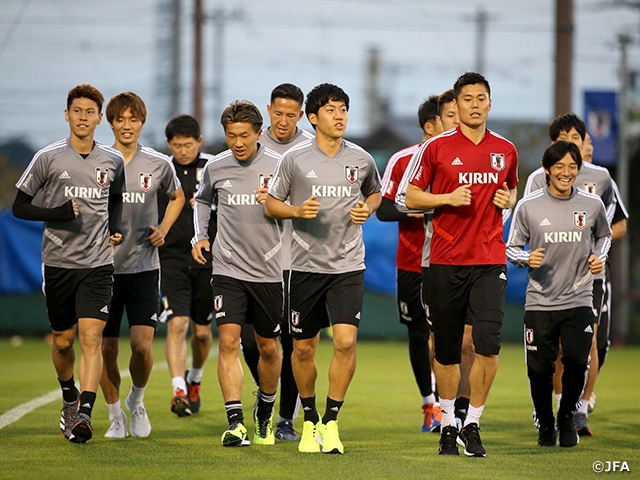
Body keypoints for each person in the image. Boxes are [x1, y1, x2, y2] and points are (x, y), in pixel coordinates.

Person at [405, 72, 518, 457]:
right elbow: (411, 197)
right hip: (445, 261)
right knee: (448, 351)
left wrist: (509, 200)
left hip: (489, 260)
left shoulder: (506, 149)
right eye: (466, 98)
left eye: (480, 97)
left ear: (489, 103)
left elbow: (511, 186)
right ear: (457, 103)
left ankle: (472, 424)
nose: (473, 104)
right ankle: (448, 423)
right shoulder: (435, 148)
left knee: (487, 346)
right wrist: (447, 199)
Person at [265, 83, 382, 454]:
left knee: (345, 341)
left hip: (348, 265)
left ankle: (331, 422)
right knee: (303, 349)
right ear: (313, 118)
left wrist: (369, 207)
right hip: (305, 267)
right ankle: (310, 420)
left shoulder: (362, 159)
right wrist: (297, 211)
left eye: (344, 109)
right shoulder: (295, 160)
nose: (340, 116)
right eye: (331, 110)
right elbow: (271, 203)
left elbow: (375, 191)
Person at [12, 84, 126, 443]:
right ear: (67, 115)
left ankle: (85, 414)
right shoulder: (48, 158)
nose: (83, 117)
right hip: (59, 263)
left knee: (91, 336)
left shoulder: (113, 160)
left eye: (90, 112)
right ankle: (68, 397)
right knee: (63, 342)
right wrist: (56, 213)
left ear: (98, 119)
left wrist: (116, 226)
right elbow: (19, 206)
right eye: (77, 111)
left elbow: (117, 196)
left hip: (98, 264)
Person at [506, 141, 611, 447]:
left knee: (578, 360)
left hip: (579, 297)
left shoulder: (592, 205)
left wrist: (599, 258)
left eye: (572, 167)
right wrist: (527, 258)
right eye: (559, 167)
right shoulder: (529, 206)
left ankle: (567, 416)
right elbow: (511, 247)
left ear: (578, 170)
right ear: (548, 170)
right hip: (540, 301)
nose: (566, 173)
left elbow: (604, 236)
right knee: (539, 369)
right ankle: (544, 422)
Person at [192, 100, 284, 447]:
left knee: (268, 348)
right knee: (228, 340)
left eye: (245, 135)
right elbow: (201, 201)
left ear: (260, 133)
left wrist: (276, 205)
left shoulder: (280, 166)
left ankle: (265, 409)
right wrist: (200, 236)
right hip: (227, 268)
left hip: (270, 271)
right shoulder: (216, 166)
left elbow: (298, 207)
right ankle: (235, 422)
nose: (238, 142)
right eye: (231, 136)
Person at [100, 92, 185, 438]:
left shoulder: (158, 163)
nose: (126, 125)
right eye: (120, 119)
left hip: (144, 269)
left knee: (142, 346)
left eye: (133, 119)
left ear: (142, 122)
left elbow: (178, 197)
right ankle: (114, 415)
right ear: (111, 123)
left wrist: (163, 229)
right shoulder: (98, 161)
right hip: (101, 270)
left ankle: (137, 401)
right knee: (105, 348)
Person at [238, 83, 314, 441]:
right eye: (278, 113)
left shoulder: (310, 149)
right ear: (269, 110)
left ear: (300, 115)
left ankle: (285, 418)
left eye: (291, 114)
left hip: (298, 259)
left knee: (291, 341)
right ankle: (265, 393)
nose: (283, 120)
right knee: (253, 343)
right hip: (253, 260)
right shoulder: (251, 144)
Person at [376, 95, 443, 433]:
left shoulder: (460, 161)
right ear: (430, 125)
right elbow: (384, 209)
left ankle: (454, 407)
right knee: (419, 334)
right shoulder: (402, 160)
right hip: (413, 264)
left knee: (449, 336)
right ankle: (429, 405)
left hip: (450, 263)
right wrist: (414, 208)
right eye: (449, 118)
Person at [160, 115, 216, 417]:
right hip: (171, 259)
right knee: (177, 324)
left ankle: (194, 377)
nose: (183, 150)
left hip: (208, 260)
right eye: (177, 145)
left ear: (199, 142)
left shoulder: (214, 167)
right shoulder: (162, 169)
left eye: (188, 144)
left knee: (204, 333)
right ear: (169, 144)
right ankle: (179, 389)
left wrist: (209, 205)